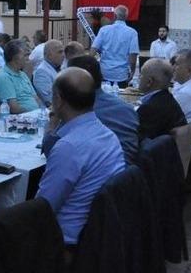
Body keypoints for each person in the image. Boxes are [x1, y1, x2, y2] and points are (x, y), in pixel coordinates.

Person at [36, 67, 125, 246]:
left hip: (66, 239)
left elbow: (42, 209)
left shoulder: (68, 147)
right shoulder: (108, 135)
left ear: (58, 100)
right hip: (101, 231)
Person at [51, 56, 140, 165]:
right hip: (129, 174)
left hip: (104, 175)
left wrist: (54, 117)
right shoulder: (127, 108)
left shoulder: (78, 113)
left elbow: (51, 149)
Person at [136, 58, 187, 140]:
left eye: (141, 75)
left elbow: (137, 140)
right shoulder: (168, 98)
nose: (138, 78)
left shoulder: (149, 108)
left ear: (149, 82)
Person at [91, 5, 140, 88]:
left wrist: (93, 68)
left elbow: (93, 50)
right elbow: (133, 55)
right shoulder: (132, 32)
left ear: (114, 16)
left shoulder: (104, 30)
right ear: (126, 17)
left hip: (104, 72)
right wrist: (132, 72)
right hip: (121, 74)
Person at [0, 40, 40, 113]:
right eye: (25, 55)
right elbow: (13, 109)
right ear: (14, 58)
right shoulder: (3, 77)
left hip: (34, 115)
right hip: (22, 119)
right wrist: (34, 112)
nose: (28, 58)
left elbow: (36, 98)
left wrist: (42, 112)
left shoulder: (22, 74)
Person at [33, 40, 64, 107]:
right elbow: (50, 100)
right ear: (49, 55)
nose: (63, 55)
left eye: (63, 51)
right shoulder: (41, 72)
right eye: (60, 52)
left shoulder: (61, 67)